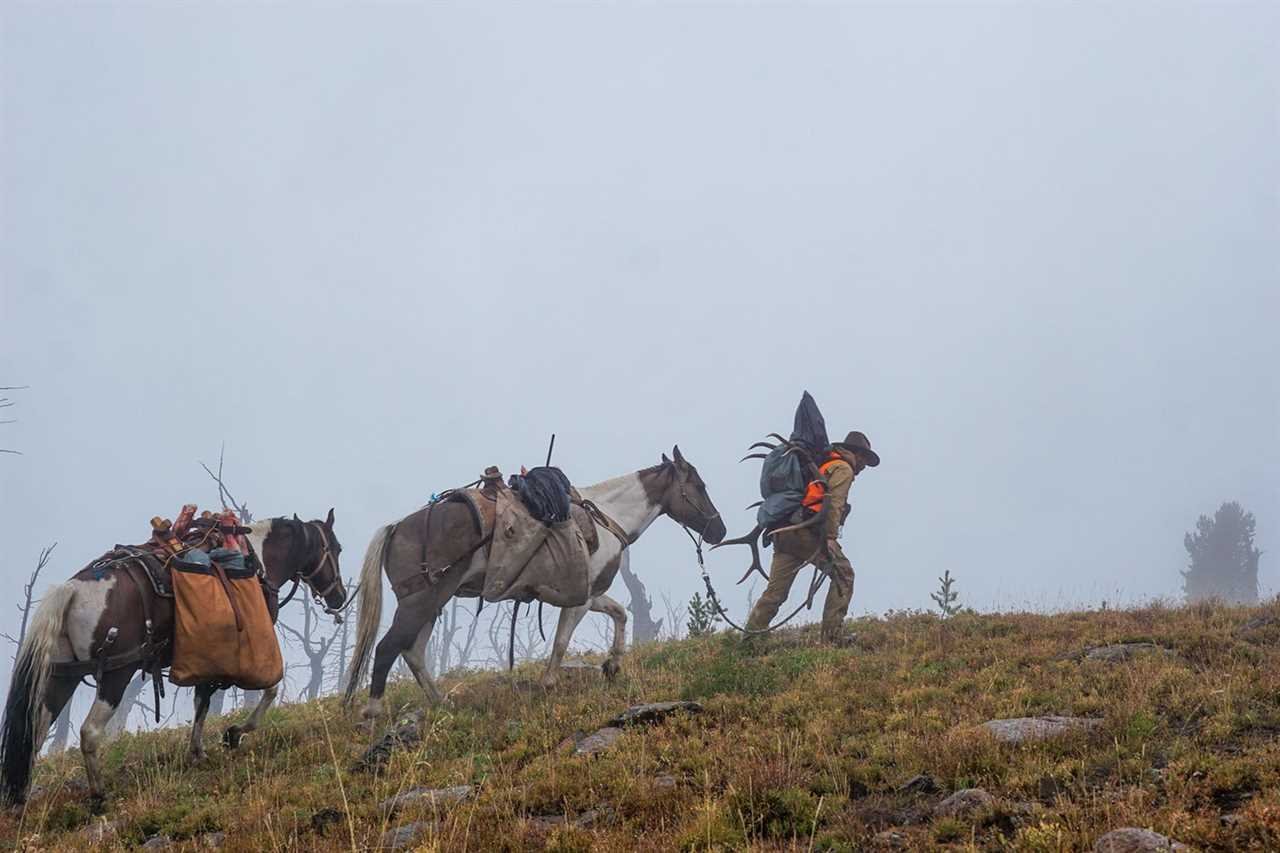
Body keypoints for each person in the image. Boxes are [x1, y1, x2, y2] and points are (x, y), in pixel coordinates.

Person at [744, 431, 879, 643]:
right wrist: (831, 537)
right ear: (857, 455)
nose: (864, 466)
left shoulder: (824, 464)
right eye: (865, 460)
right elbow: (834, 504)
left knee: (775, 593)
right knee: (844, 575)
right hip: (807, 534)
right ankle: (832, 637)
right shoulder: (843, 468)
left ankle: (749, 641)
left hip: (785, 532)